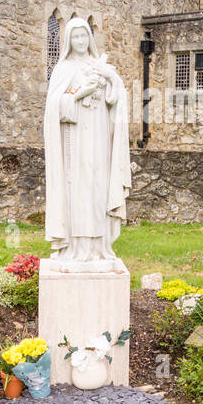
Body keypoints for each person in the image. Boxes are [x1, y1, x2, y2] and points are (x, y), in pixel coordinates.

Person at [43, 17, 131, 262]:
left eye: (84, 36)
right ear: (69, 41)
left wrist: (111, 80)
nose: (80, 41)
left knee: (98, 187)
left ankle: (100, 248)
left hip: (100, 137)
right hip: (75, 140)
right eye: (75, 37)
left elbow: (116, 100)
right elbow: (54, 108)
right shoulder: (63, 69)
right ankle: (75, 247)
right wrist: (82, 92)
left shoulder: (99, 66)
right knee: (78, 189)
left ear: (90, 38)